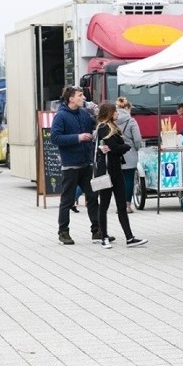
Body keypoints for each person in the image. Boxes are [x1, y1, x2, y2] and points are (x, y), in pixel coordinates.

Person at [51, 85, 102, 245]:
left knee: (93, 197)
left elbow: (96, 126)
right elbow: (55, 138)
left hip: (86, 163)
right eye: (80, 95)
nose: (83, 98)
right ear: (71, 98)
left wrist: (98, 114)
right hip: (71, 165)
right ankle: (63, 232)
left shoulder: (83, 113)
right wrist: (78, 138)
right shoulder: (61, 116)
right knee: (67, 200)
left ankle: (97, 231)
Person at [94, 102, 147, 249]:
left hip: (116, 169)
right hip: (107, 171)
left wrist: (119, 147)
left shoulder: (113, 128)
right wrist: (124, 147)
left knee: (121, 205)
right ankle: (103, 236)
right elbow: (114, 147)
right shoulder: (104, 128)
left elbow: (113, 148)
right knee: (103, 205)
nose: (117, 114)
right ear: (110, 113)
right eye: (115, 112)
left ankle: (129, 237)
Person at [116, 96, 143, 214]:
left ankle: (119, 205)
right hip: (129, 154)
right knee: (128, 179)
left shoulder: (112, 120)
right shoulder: (131, 121)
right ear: (127, 108)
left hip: (116, 155)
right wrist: (138, 149)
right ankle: (127, 205)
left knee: (117, 181)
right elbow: (137, 139)